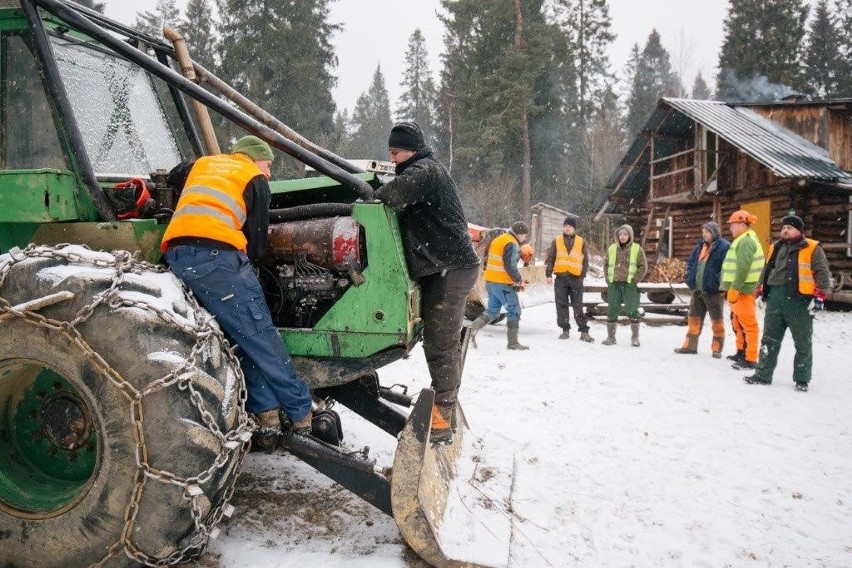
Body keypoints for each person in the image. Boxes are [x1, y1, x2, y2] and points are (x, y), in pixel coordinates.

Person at [162, 135, 313, 451]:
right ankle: (301, 416)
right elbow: (257, 241)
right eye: (268, 165)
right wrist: (254, 269)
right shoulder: (253, 178)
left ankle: (266, 414)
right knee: (260, 336)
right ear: (254, 158)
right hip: (216, 259)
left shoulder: (203, 165)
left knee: (237, 336)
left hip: (176, 255)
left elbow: (175, 174)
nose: (268, 173)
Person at [375, 121, 480, 443]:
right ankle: (445, 403)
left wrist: (372, 189)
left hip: (451, 267)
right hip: (444, 266)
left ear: (412, 148)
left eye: (396, 152)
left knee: (440, 341)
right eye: (390, 153)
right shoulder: (424, 169)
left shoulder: (425, 171)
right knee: (440, 339)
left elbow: (392, 193)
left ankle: (442, 418)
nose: (393, 159)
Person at [744, 215, 831, 391]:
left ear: (800, 231)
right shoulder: (774, 247)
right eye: (784, 227)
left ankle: (802, 378)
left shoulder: (812, 247)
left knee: (802, 341)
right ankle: (762, 374)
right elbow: (766, 270)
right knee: (769, 339)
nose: (785, 230)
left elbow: (822, 273)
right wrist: (760, 291)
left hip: (800, 301)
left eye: (790, 228)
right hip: (775, 297)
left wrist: (819, 296)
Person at [469, 221, 531, 351]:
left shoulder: (499, 239)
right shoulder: (512, 243)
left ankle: (471, 330)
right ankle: (513, 343)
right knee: (514, 310)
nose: (524, 238)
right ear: (519, 234)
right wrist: (519, 281)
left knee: (492, 311)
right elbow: (510, 266)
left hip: (490, 281)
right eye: (524, 235)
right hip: (501, 282)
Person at [674, 221, 730, 357]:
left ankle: (717, 349)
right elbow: (691, 262)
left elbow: (726, 268)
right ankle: (690, 346)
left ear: (714, 233)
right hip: (698, 289)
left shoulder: (724, 246)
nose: (704, 234)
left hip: (713, 291)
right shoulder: (700, 246)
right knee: (693, 318)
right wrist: (689, 275)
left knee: (717, 320)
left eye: (707, 232)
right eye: (703, 232)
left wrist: (718, 281)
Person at [720, 209, 765, 370]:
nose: (730, 228)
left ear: (741, 224)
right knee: (737, 322)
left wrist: (734, 288)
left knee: (748, 324)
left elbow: (742, 268)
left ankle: (750, 357)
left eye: (732, 225)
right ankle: (741, 351)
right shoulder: (743, 239)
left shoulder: (745, 241)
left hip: (742, 290)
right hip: (740, 290)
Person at [545, 215, 594, 342]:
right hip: (560, 279)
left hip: (576, 279)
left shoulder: (581, 241)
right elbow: (551, 258)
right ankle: (565, 330)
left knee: (578, 305)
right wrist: (548, 274)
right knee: (561, 305)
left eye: (570, 226)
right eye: (565, 226)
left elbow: (585, 260)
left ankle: (583, 331)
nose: (567, 228)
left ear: (574, 228)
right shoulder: (556, 240)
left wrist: (582, 275)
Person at [602, 224, 647, 347]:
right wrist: (608, 279)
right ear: (618, 236)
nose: (622, 237)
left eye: (625, 234)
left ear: (630, 236)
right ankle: (611, 337)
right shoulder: (612, 248)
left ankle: (635, 338)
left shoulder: (637, 249)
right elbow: (606, 264)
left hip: (629, 285)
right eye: (620, 234)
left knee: (632, 310)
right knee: (612, 310)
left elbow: (643, 267)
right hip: (614, 284)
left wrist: (635, 280)